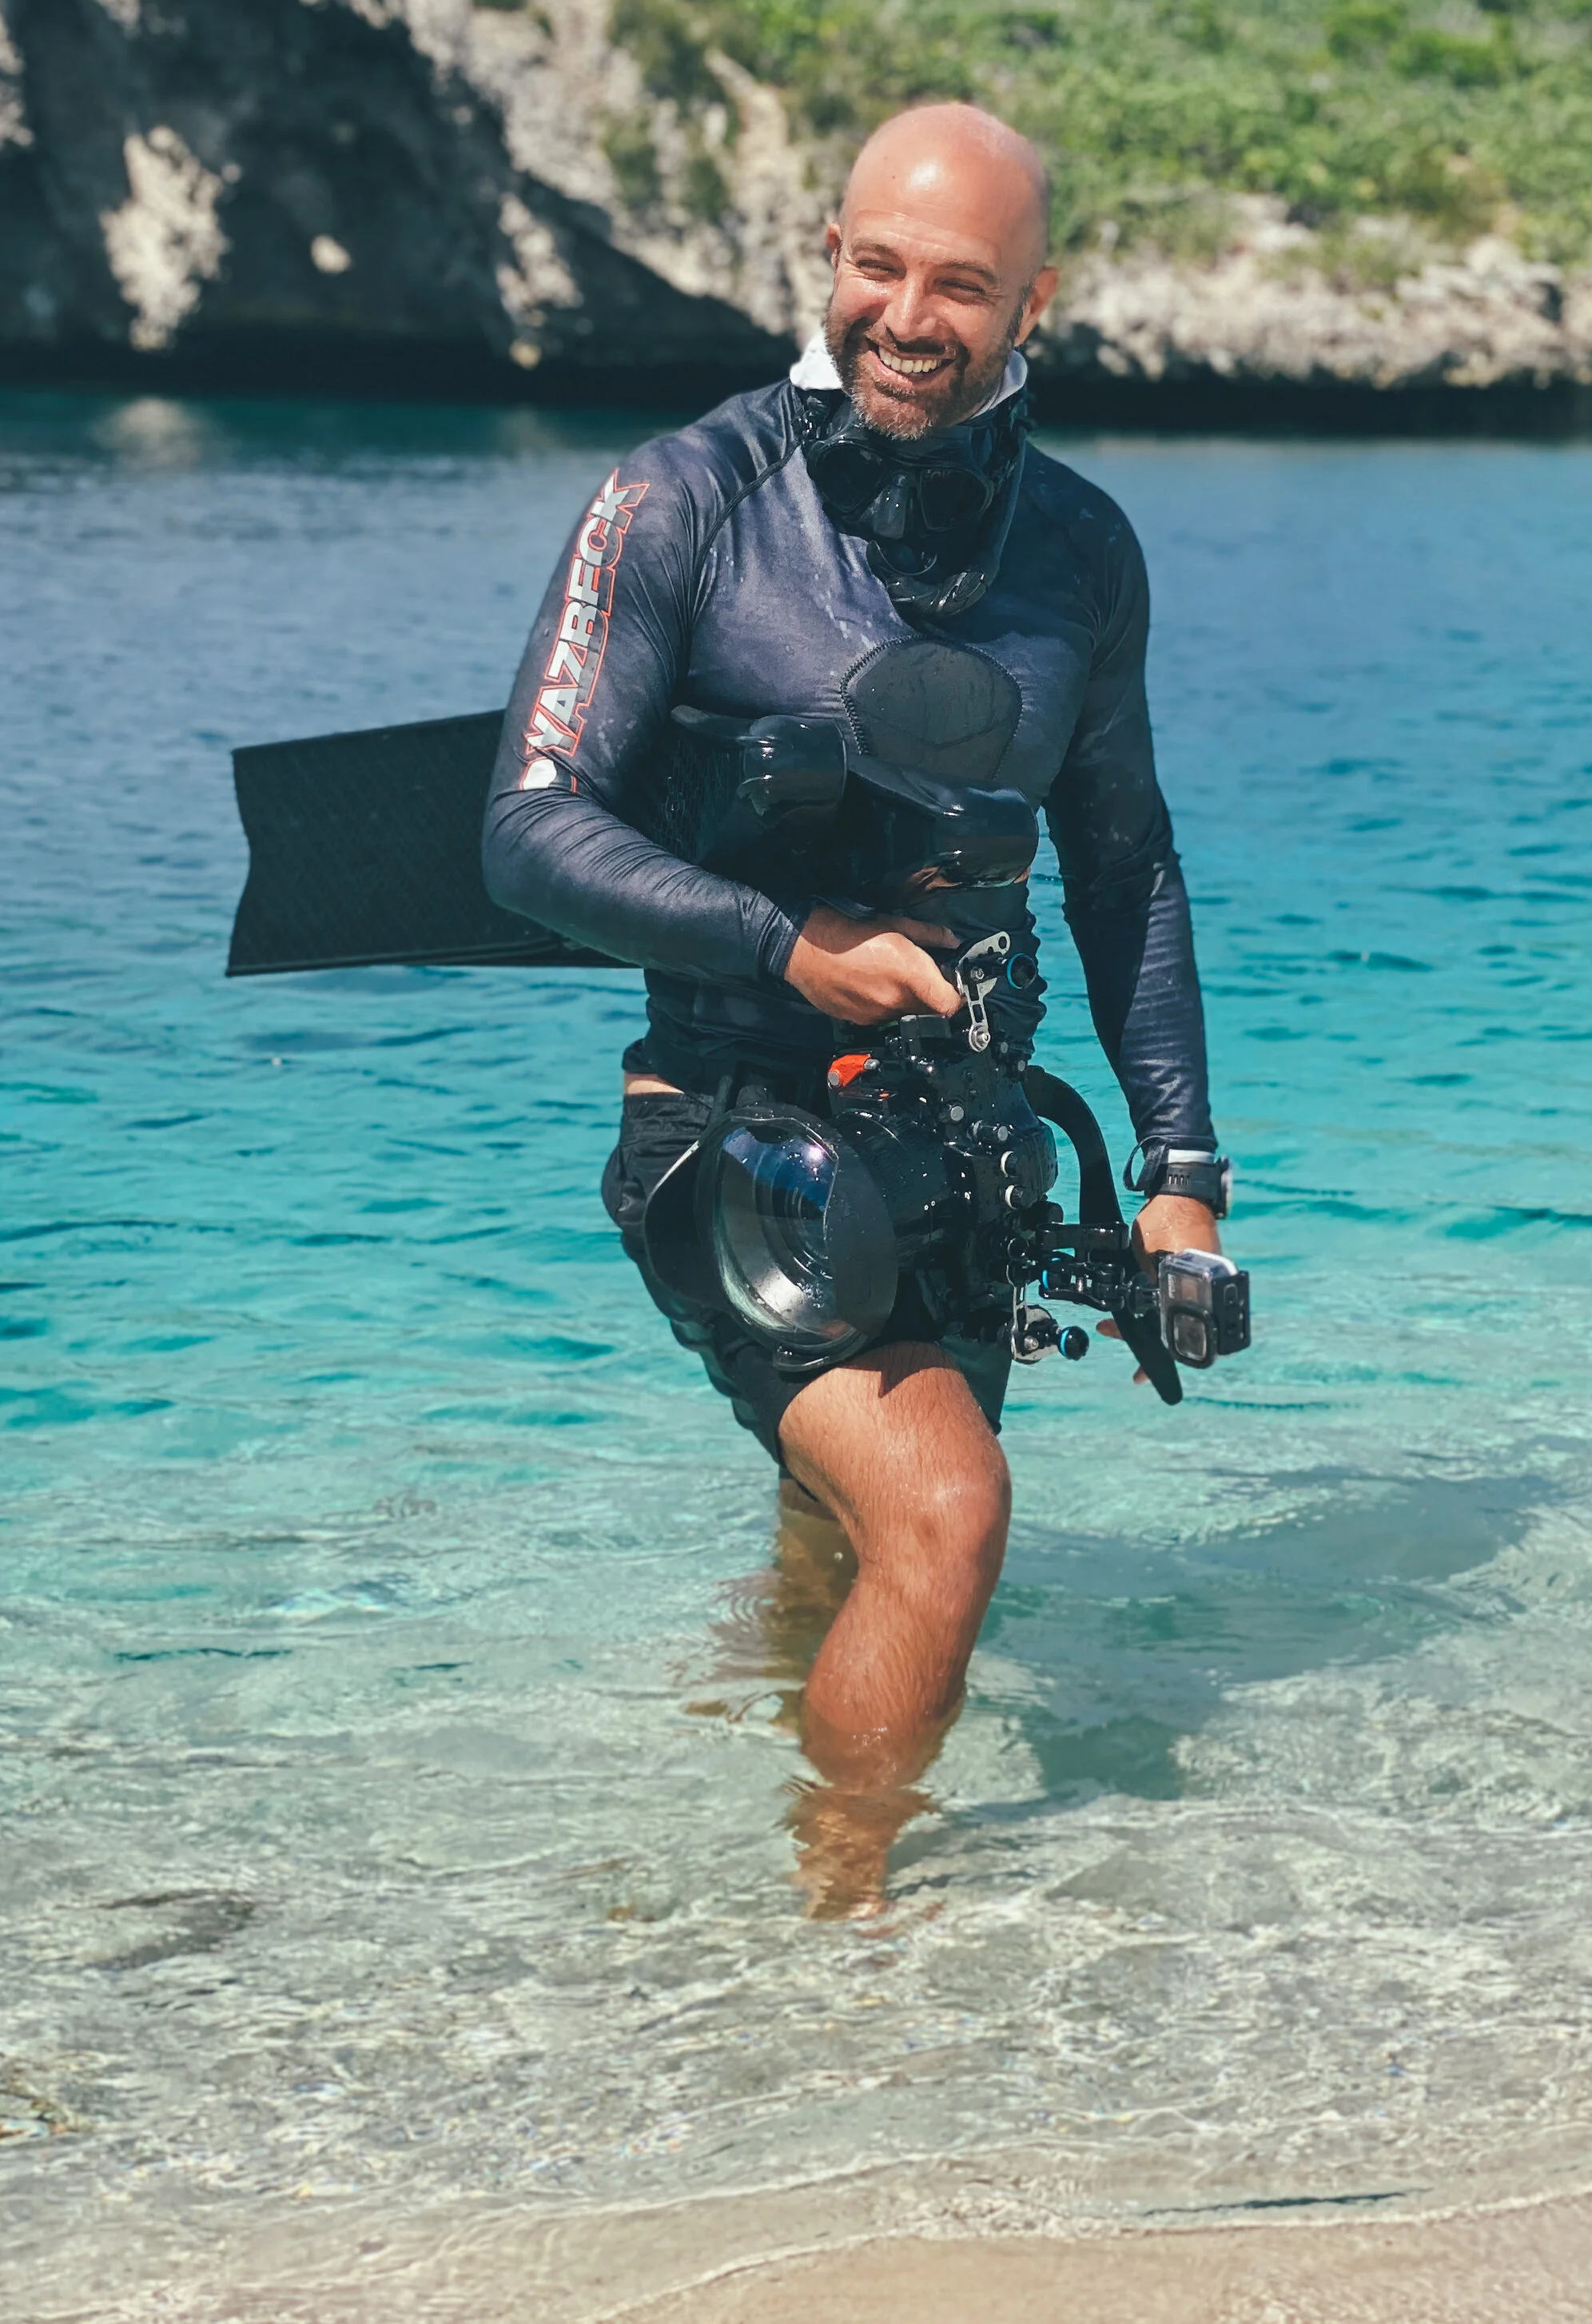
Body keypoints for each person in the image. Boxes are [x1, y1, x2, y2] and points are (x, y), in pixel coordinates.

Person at [483, 102, 1228, 1905]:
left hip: (966, 1150)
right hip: (733, 1131)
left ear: (1032, 296)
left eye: (958, 283)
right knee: (947, 1516)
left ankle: (730, 1787)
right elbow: (523, 827)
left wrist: (1181, 1166)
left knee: (842, 1528)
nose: (908, 313)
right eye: (876, 266)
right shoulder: (681, 497)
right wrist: (778, 941)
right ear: (828, 257)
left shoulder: (1082, 553)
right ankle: (839, 1920)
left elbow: (1121, 862)